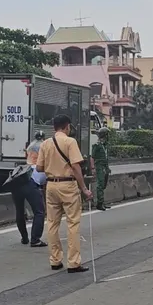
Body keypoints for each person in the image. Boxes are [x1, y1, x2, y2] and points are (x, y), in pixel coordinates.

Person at [36, 114, 93, 273]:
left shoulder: (46, 144)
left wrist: (52, 164)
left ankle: (55, 260)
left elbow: (39, 168)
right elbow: (76, 167)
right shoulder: (70, 142)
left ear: (54, 127)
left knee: (52, 223)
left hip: (51, 185)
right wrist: (84, 189)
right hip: (68, 185)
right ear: (67, 126)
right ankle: (74, 263)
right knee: (73, 223)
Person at [8, 164, 46, 247]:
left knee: (20, 211)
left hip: (16, 183)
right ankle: (35, 240)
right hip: (30, 183)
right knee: (39, 212)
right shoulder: (52, 167)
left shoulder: (34, 166)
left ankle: (24, 238)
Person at [92, 127, 111, 211]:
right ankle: (100, 203)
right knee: (100, 184)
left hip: (105, 166)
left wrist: (108, 168)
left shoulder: (105, 145)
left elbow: (106, 157)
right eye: (107, 134)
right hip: (99, 166)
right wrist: (93, 168)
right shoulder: (96, 145)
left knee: (104, 184)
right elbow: (92, 157)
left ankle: (102, 201)